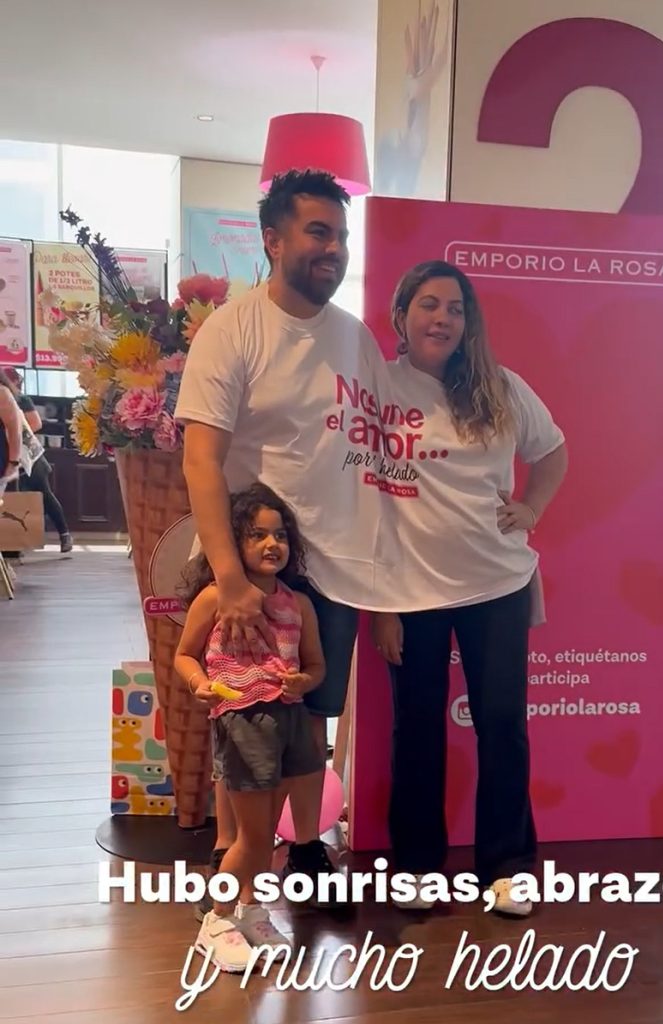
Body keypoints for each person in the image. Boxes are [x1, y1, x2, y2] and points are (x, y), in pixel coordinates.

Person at [174, 169, 385, 906]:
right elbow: (199, 458)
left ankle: (302, 850)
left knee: (305, 716)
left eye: (341, 236)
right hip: (250, 565)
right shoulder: (233, 329)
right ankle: (235, 865)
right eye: (317, 232)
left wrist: (380, 581)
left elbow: (378, 454)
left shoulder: (355, 338)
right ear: (272, 239)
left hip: (331, 567)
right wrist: (230, 578)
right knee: (245, 716)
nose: (334, 249)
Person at [370, 260, 568, 916]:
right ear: (401, 316)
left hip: (497, 582)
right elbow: (361, 498)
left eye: (454, 308)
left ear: (467, 322)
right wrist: (382, 607)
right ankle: (419, 867)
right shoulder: (376, 388)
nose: (442, 318)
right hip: (412, 592)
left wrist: (530, 509)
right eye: (428, 305)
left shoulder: (500, 388)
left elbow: (552, 452)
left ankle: (507, 866)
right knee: (417, 729)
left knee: (503, 724)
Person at [175, 482, 326, 972]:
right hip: (243, 720)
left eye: (280, 535)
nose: (271, 545)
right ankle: (215, 921)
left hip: (291, 721)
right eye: (257, 535)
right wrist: (200, 683)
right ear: (232, 542)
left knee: (266, 837)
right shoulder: (214, 598)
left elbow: (317, 666)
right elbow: (184, 656)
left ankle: (252, 910)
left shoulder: (298, 604)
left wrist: (305, 679)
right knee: (254, 838)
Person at [0, 368, 72, 552]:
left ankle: (64, 534)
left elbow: (35, 423)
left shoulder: (19, 399)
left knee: (45, 496)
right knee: (12, 500)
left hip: (28, 457)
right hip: (10, 456)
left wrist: (14, 434)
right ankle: (13, 545)